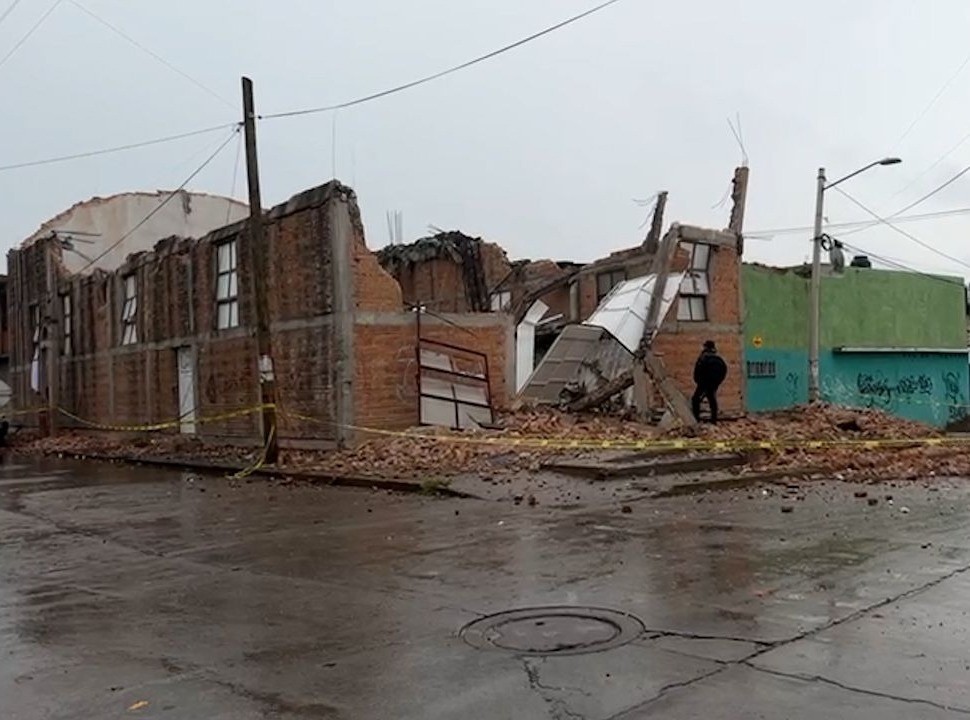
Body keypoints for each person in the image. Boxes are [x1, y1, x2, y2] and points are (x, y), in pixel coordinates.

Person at [692, 340, 727, 423]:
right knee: (712, 400)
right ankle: (713, 420)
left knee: (695, 399)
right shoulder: (717, 358)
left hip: (703, 383)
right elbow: (724, 370)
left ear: (705, 347)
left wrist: (698, 381)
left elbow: (698, 370)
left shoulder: (703, 357)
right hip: (713, 383)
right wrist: (717, 382)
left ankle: (696, 419)